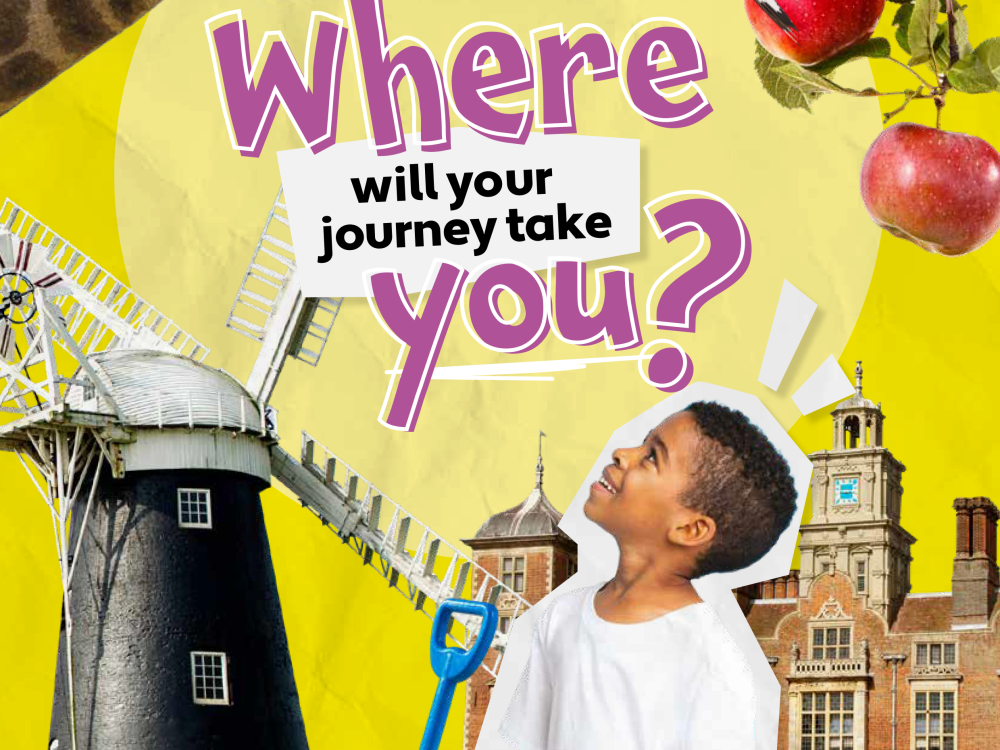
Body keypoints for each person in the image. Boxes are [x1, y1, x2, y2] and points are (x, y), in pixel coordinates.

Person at [499, 401, 797, 750]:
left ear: (690, 529)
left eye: (652, 456)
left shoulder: (717, 662)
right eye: (642, 443)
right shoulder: (561, 614)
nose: (621, 453)